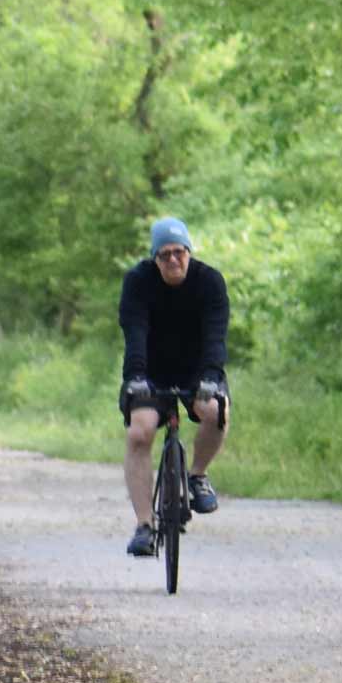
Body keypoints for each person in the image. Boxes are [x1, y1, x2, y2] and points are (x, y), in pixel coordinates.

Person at [118, 216, 231, 559]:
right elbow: (134, 330)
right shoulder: (138, 282)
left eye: (179, 253)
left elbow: (216, 335)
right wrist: (136, 376)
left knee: (216, 412)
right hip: (149, 370)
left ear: (189, 252)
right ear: (154, 257)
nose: (172, 261)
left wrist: (211, 376)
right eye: (164, 255)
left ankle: (197, 475)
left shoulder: (209, 282)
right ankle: (144, 525)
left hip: (197, 368)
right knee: (140, 433)